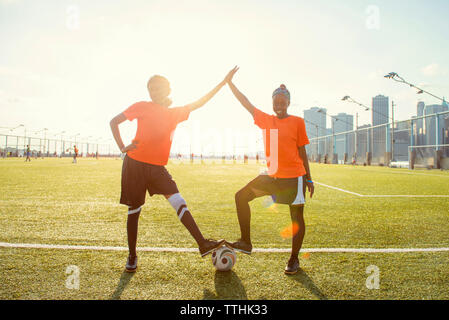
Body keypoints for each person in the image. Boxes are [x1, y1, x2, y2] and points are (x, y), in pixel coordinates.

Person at [110, 70, 235, 272]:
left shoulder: (174, 113)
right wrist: (121, 146)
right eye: (151, 89)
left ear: (168, 89)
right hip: (135, 165)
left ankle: (202, 243)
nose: (154, 92)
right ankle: (132, 256)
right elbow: (113, 121)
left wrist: (222, 83)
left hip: (157, 168)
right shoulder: (141, 106)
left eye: (158, 88)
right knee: (134, 211)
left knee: (179, 201)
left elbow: (200, 102)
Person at [225, 66, 314, 275]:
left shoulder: (298, 122)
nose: (279, 105)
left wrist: (309, 179)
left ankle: (293, 260)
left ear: (288, 103)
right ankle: (246, 242)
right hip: (271, 178)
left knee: (296, 220)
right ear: (272, 103)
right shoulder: (266, 120)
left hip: (294, 179)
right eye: (276, 102)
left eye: (283, 102)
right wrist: (230, 83)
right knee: (240, 197)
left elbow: (302, 152)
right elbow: (245, 102)